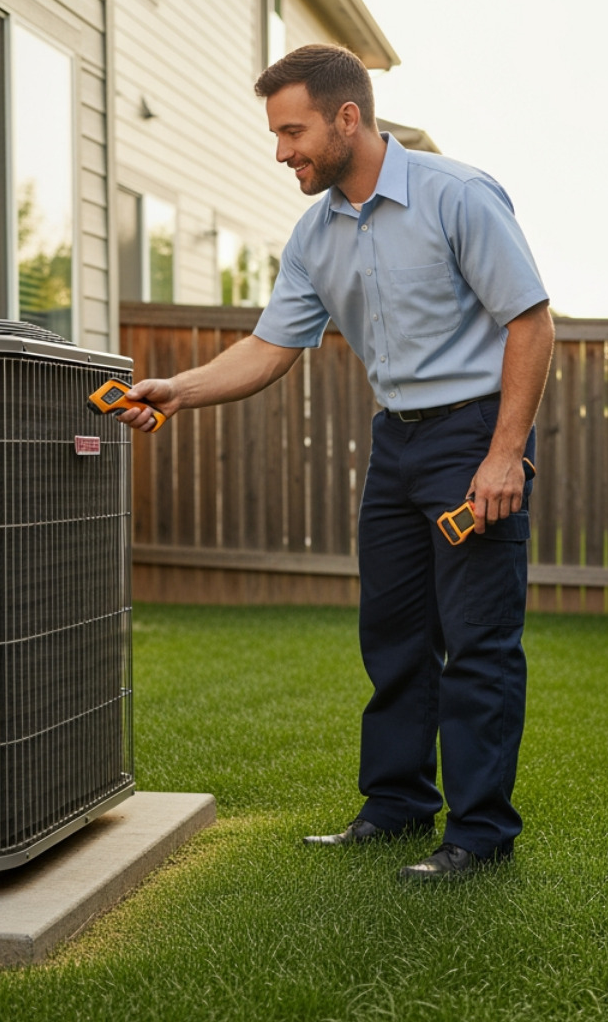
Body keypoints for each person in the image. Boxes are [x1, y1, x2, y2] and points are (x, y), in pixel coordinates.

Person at [116, 43, 554, 880]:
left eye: (293, 132)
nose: (283, 152)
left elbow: (531, 322)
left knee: (478, 642)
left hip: (473, 436)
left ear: (347, 117)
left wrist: (506, 456)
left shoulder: (455, 196)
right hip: (397, 443)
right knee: (391, 634)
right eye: (278, 135)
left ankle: (479, 836)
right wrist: (182, 389)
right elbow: (270, 346)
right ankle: (395, 807)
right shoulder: (316, 234)